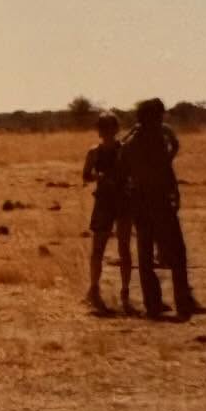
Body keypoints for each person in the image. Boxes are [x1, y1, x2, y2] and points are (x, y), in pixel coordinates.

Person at [118, 98, 206, 320]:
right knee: (176, 252)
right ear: (150, 117)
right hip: (157, 201)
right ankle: (183, 302)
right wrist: (173, 192)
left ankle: (154, 304)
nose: (161, 119)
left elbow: (124, 171)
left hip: (141, 201)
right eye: (158, 116)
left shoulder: (133, 141)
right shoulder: (154, 139)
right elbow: (165, 168)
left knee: (146, 254)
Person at [82, 112, 133, 315]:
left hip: (123, 202)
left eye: (110, 127)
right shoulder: (94, 152)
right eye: (103, 128)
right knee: (98, 249)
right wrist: (99, 177)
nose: (106, 131)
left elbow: (133, 173)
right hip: (103, 202)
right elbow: (86, 175)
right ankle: (94, 290)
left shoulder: (125, 151)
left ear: (116, 129)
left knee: (124, 248)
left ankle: (125, 293)